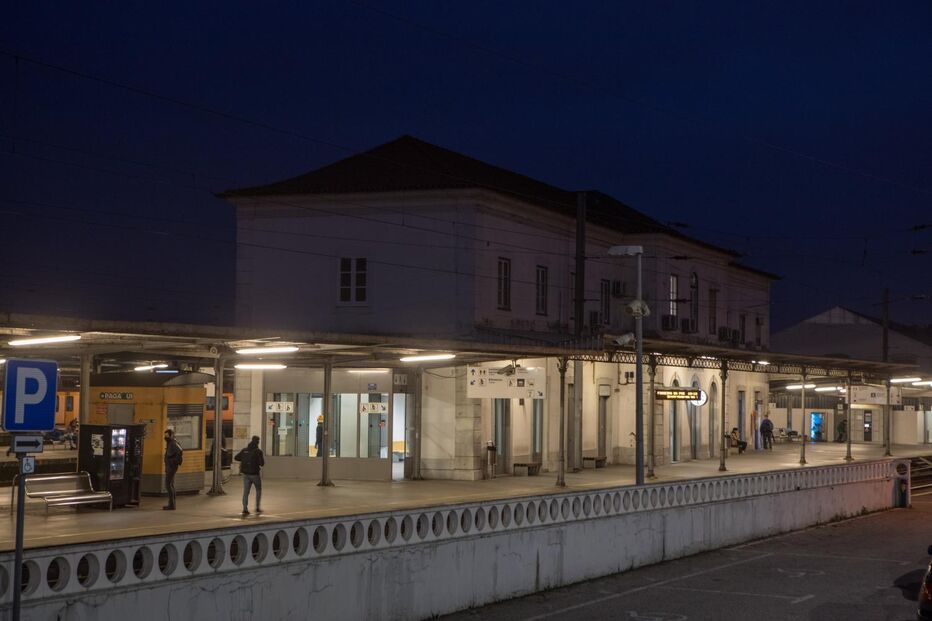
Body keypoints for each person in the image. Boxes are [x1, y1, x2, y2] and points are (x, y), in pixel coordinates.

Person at [235, 435, 265, 516]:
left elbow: (236, 458)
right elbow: (262, 463)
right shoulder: (258, 451)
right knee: (258, 490)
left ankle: (245, 509)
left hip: (246, 475)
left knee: (246, 492)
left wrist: (244, 458)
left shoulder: (244, 450)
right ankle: (257, 507)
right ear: (257, 442)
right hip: (255, 474)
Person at [163, 429, 183, 510]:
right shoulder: (170, 443)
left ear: (171, 435)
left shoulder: (173, 443)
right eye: (165, 435)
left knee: (168, 484)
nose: (165, 437)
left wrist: (173, 462)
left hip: (171, 467)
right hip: (169, 466)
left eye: (167, 435)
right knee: (170, 484)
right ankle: (172, 504)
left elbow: (180, 451)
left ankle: (171, 505)